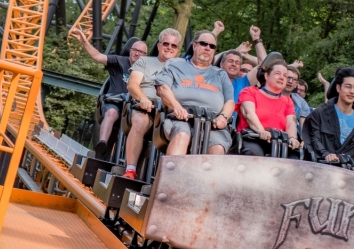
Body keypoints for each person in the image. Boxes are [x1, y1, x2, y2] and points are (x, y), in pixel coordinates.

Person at [70, 26, 147, 159]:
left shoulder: (147, 70)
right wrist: (84, 42)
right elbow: (97, 56)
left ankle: (131, 159)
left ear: (145, 56)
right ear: (130, 51)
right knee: (111, 113)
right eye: (135, 50)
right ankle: (102, 143)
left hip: (133, 106)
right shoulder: (118, 61)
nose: (137, 54)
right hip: (114, 102)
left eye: (141, 52)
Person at [155, 30, 234, 155]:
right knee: (182, 135)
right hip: (180, 118)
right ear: (194, 45)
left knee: (218, 147)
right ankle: (173, 168)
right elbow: (162, 88)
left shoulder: (220, 74)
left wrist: (223, 117)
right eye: (204, 44)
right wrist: (176, 106)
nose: (207, 48)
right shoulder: (175, 64)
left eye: (212, 46)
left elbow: (230, 101)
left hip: (212, 123)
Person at [122, 27, 182, 179]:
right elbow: (132, 84)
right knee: (140, 122)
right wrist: (143, 98)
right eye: (166, 44)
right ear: (159, 45)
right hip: (146, 108)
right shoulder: (145, 61)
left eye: (173, 45)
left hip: (169, 111)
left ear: (177, 49)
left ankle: (170, 178)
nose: (169, 48)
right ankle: (130, 169)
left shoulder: (182, 68)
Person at [302, 67, 354, 172]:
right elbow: (313, 140)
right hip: (320, 169)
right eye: (348, 86)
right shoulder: (319, 114)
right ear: (338, 88)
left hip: (350, 173)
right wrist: (326, 154)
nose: (352, 91)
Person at [236, 62, 300, 155]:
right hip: (253, 138)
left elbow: (291, 122)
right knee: (254, 153)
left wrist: (292, 138)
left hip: (278, 142)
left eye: (285, 75)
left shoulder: (288, 101)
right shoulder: (249, 91)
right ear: (266, 76)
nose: (282, 77)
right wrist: (261, 130)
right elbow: (249, 114)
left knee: (295, 157)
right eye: (277, 73)